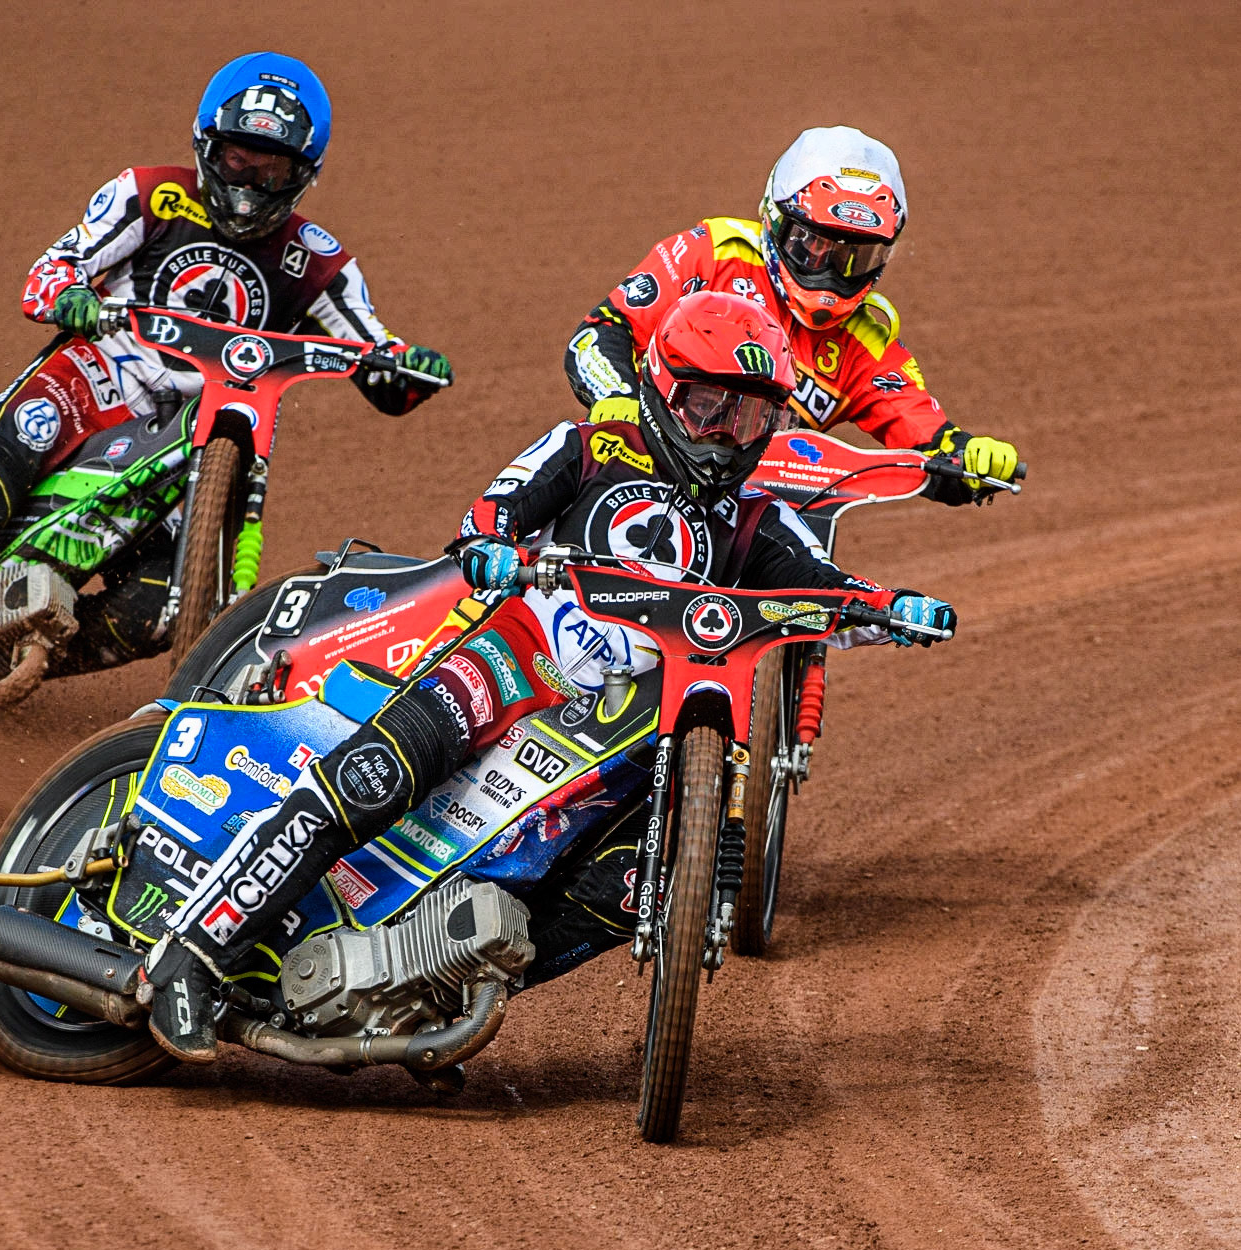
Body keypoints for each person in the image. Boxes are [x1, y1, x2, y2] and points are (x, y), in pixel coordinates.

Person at [139, 290, 956, 1061]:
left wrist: (894, 607)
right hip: (517, 657)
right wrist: (493, 547)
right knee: (376, 772)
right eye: (709, 406)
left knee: (633, 888)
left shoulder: (759, 516)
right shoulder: (590, 446)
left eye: (749, 416)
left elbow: (828, 588)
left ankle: (428, 986)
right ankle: (191, 951)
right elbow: (491, 513)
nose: (724, 435)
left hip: (628, 729)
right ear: (662, 388)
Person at [0, 52, 451, 670]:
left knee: (160, 610)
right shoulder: (150, 193)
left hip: (190, 439)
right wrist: (72, 296)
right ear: (208, 146)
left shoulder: (319, 262)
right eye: (239, 159)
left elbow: (378, 359)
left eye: (272, 169)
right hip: (91, 380)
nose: (249, 182)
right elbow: (50, 270)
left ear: (304, 175)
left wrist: (406, 367)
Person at [565, 125, 1021, 504]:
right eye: (814, 246)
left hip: (750, 516)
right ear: (776, 220)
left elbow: (928, 436)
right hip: (636, 475)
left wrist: (971, 455)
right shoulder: (710, 254)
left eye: (855, 258)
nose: (830, 274)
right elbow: (600, 333)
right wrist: (616, 397)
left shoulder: (868, 347)